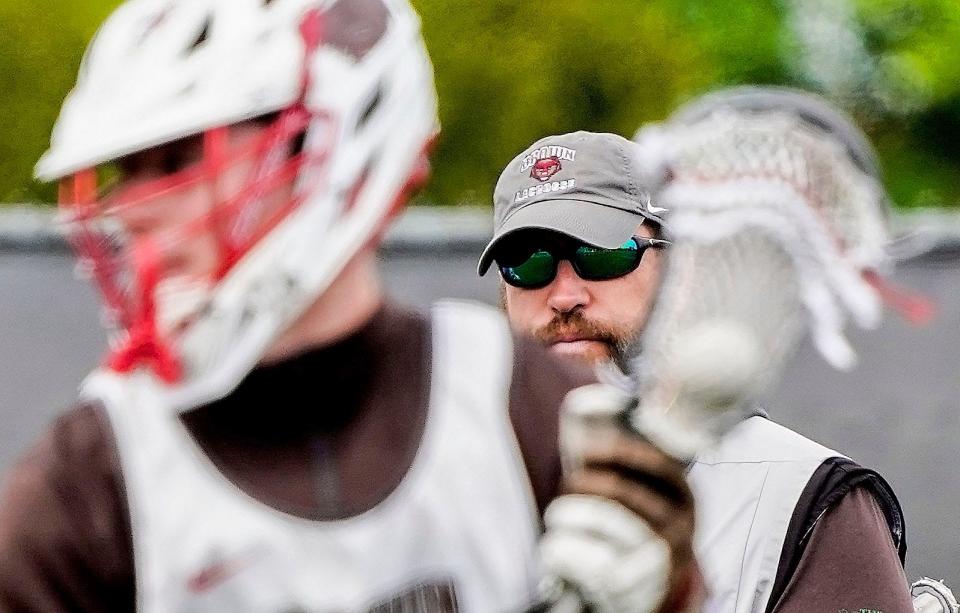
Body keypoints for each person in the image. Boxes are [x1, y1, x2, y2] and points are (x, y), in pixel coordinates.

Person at [0, 1, 699, 612]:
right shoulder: (91, 481)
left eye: (180, 157)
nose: (134, 210)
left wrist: (666, 595)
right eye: (127, 173)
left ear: (320, 143)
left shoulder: (519, 404)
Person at [478, 114, 915, 612]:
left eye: (601, 254)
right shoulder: (443, 484)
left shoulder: (800, 496)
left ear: (675, 268)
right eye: (527, 264)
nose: (564, 295)